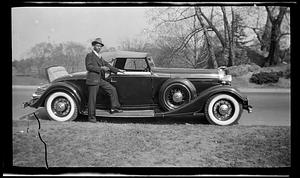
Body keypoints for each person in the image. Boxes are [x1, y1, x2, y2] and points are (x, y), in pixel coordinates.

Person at [85, 38, 125, 123]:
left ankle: (114, 108)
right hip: (92, 80)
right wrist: (101, 68)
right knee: (92, 100)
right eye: (97, 46)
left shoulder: (99, 56)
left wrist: (118, 70)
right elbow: (89, 67)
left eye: (100, 46)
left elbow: (107, 65)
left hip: (99, 79)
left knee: (112, 89)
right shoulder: (90, 55)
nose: (99, 47)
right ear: (94, 46)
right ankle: (91, 118)